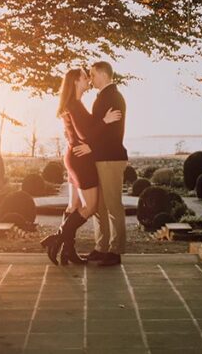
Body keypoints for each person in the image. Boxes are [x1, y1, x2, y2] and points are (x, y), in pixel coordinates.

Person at [40, 67, 121, 266]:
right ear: (76, 81)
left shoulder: (72, 104)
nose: (89, 80)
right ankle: (57, 238)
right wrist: (105, 120)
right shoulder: (74, 105)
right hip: (81, 159)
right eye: (86, 77)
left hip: (73, 156)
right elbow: (85, 134)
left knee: (73, 206)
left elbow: (75, 134)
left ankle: (68, 251)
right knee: (91, 206)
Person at [86, 61, 129, 267]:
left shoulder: (112, 97)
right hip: (102, 158)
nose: (90, 78)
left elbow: (97, 131)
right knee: (100, 206)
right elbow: (96, 129)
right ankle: (101, 247)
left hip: (110, 158)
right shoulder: (104, 97)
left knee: (112, 206)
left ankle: (115, 251)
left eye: (92, 75)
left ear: (103, 74)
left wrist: (98, 125)